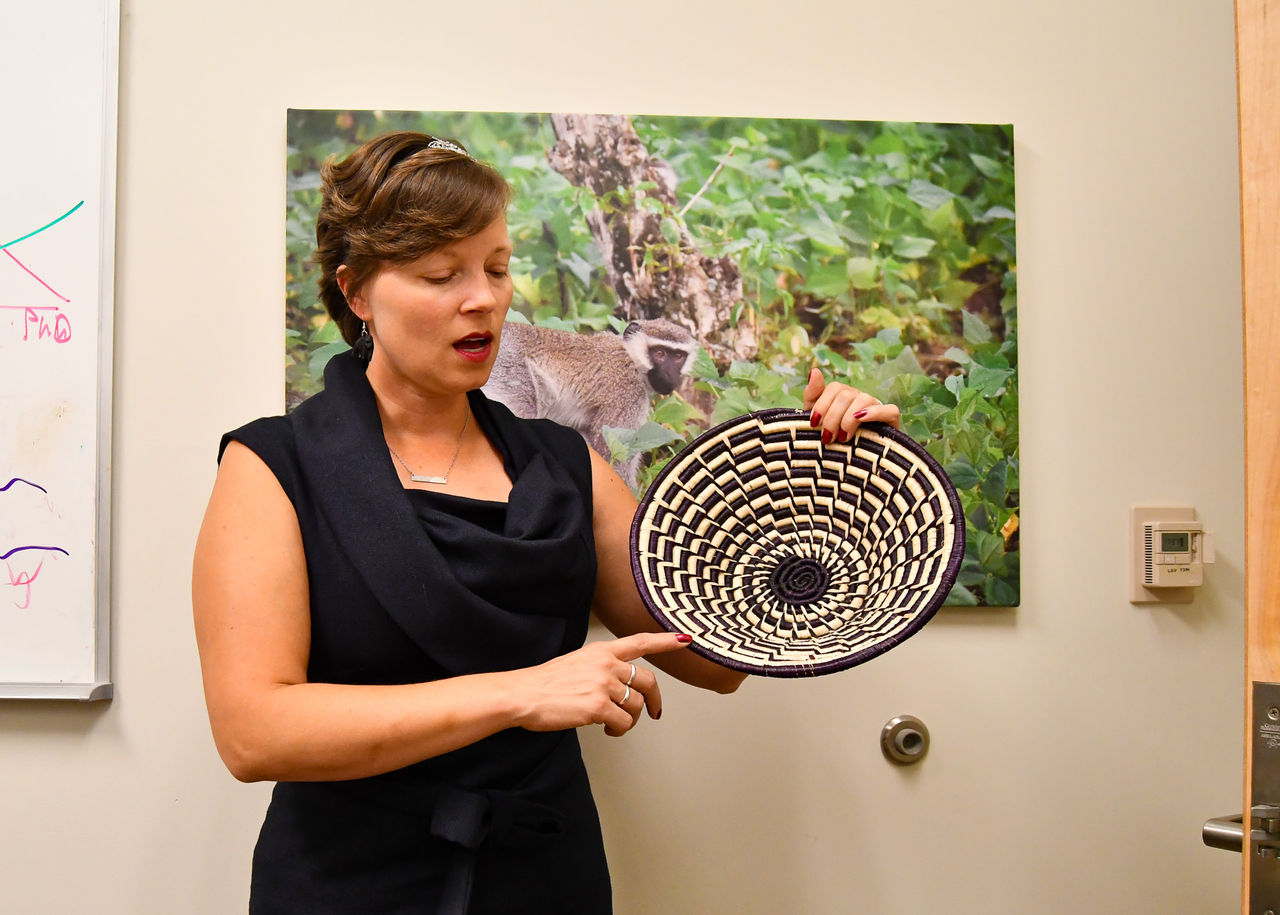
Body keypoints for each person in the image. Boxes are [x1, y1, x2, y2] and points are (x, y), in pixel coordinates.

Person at [192, 131, 901, 915]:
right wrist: (521, 693)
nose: (484, 299)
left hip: (545, 880)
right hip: (345, 885)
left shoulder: (565, 466)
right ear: (356, 291)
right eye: (441, 274)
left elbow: (717, 656)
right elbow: (254, 733)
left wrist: (821, 476)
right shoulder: (272, 467)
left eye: (496, 268)